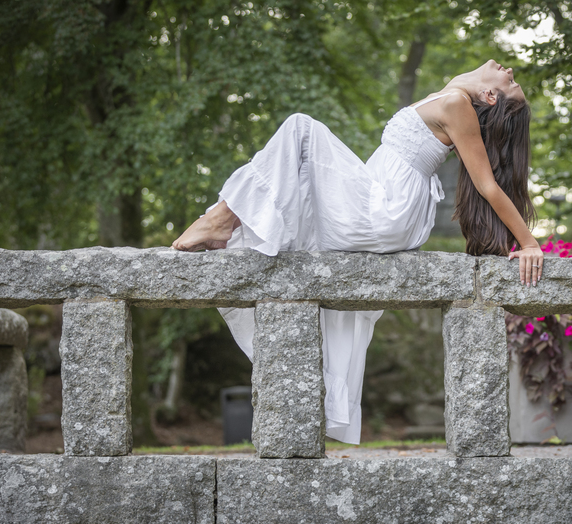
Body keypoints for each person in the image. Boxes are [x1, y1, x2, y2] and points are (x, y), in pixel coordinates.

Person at [172, 59, 544, 444]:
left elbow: (487, 185)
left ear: (488, 95)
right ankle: (226, 222)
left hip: (388, 209)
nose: (508, 69)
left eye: (510, 81)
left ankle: (221, 219)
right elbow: (473, 94)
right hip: (379, 198)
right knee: (297, 182)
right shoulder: (456, 92)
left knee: (301, 129)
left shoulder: (456, 105)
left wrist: (528, 243)